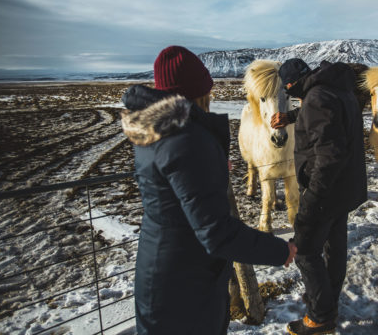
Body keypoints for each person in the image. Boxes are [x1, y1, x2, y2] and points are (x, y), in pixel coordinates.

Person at [120, 45, 297, 334]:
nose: (212, 96)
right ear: (197, 93)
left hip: (166, 271)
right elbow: (216, 232)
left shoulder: (157, 131)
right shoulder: (187, 140)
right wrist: (280, 250)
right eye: (208, 90)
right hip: (186, 284)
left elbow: (176, 197)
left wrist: (210, 170)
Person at [275, 58, 368, 335]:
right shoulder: (338, 89)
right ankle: (327, 299)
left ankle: (320, 317)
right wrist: (291, 117)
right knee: (334, 248)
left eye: (290, 92)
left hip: (326, 190)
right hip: (345, 188)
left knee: (304, 250)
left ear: (291, 86)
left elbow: (328, 155)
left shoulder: (315, 99)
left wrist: (313, 197)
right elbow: (329, 119)